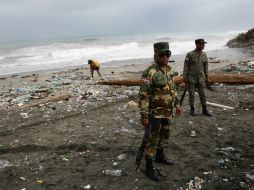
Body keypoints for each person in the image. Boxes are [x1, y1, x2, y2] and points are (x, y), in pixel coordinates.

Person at [139, 42, 182, 181]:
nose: (165, 57)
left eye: (167, 54)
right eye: (162, 54)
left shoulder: (169, 70)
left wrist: (177, 104)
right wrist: (144, 115)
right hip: (155, 114)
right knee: (152, 140)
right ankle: (149, 167)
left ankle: (160, 156)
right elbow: (144, 96)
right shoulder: (149, 73)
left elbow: (173, 89)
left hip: (168, 112)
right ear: (155, 55)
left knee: (164, 135)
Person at [183, 39, 212, 116]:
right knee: (191, 94)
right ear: (197, 44)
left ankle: (204, 110)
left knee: (203, 94)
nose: (203, 46)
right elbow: (186, 66)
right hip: (191, 78)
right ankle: (192, 109)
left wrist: (207, 77)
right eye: (201, 44)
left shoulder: (204, 55)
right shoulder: (190, 54)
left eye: (203, 44)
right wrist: (184, 77)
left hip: (201, 78)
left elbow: (206, 66)